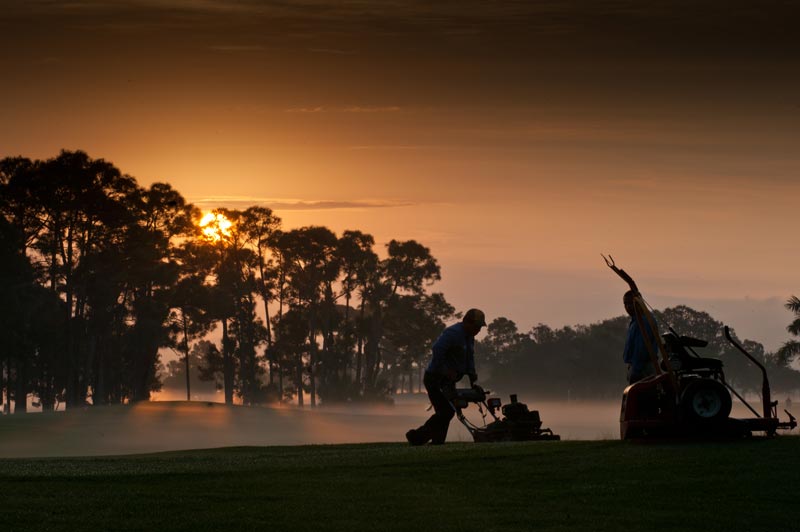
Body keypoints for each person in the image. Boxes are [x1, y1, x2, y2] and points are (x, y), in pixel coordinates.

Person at [406, 308, 487, 445]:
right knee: (446, 411)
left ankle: (437, 442)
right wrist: (445, 370)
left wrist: (471, 374)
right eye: (477, 326)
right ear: (467, 322)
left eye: (480, 327)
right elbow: (437, 350)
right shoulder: (453, 333)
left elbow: (469, 357)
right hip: (435, 378)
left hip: (447, 380)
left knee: (446, 411)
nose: (478, 330)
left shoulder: (469, 337)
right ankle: (417, 437)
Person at [622, 290, 658, 384]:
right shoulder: (635, 321)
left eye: (631, 303)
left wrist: (636, 371)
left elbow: (641, 349)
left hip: (643, 368)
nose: (628, 307)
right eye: (625, 304)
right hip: (636, 367)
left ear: (639, 303)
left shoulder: (644, 321)